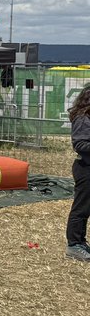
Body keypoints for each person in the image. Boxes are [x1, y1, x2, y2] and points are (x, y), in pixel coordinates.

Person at [64, 86, 90, 263]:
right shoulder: (83, 119)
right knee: (81, 208)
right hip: (86, 168)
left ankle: (81, 242)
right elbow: (80, 144)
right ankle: (74, 244)